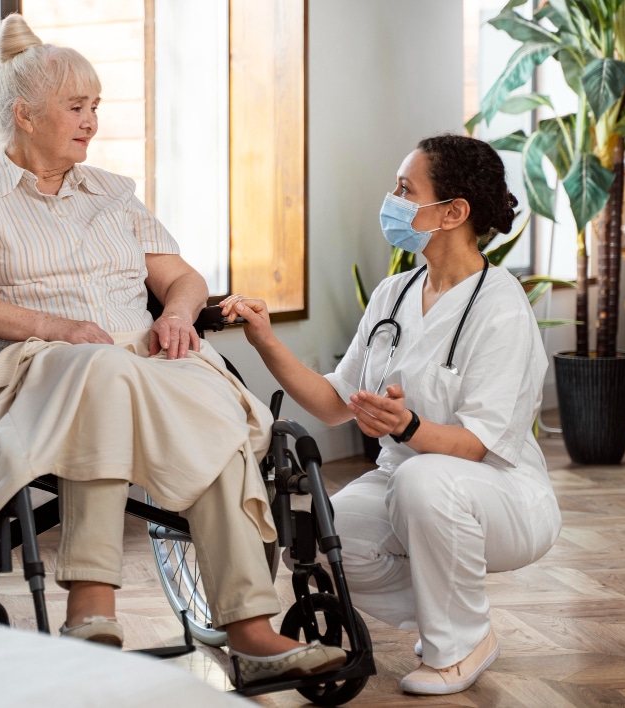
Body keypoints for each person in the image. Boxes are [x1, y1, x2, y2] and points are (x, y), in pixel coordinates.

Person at [0, 13, 347, 684]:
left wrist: (176, 314)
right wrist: (53, 327)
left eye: (96, 107)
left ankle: (250, 627)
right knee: (104, 368)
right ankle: (92, 602)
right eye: (76, 107)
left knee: (213, 401)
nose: (91, 120)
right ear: (25, 116)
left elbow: (180, 278)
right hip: (39, 365)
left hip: (139, 356)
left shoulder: (115, 194)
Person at [220, 134, 562, 695]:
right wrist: (265, 341)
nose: (392, 200)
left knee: (422, 479)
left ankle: (462, 642)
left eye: (406, 189)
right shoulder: (394, 294)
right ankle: (447, 613)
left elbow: (478, 444)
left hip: (501, 493)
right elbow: (334, 403)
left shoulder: (501, 305)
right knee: (322, 540)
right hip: (401, 482)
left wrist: (406, 427)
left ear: (453, 212)